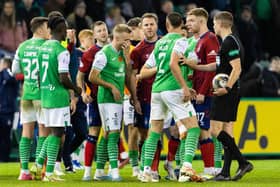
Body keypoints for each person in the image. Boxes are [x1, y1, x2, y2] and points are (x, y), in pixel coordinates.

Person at [183, 11, 254, 181]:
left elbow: (237, 68)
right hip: (229, 92)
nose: (213, 26)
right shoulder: (228, 42)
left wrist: (227, 89)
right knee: (226, 132)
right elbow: (216, 67)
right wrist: (196, 66)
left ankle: (243, 162)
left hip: (227, 93)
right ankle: (225, 172)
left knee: (214, 130)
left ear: (221, 24)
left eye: (214, 23)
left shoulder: (229, 42)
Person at [139, 12, 201, 183]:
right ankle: (186, 169)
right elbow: (175, 64)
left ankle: (146, 171)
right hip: (173, 89)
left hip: (157, 90)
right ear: (181, 24)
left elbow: (144, 71)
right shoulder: (181, 41)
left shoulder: (160, 43)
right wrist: (184, 87)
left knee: (154, 132)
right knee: (194, 128)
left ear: (166, 25)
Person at [30, 15, 82, 182]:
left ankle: (38, 165)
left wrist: (44, 90)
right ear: (61, 30)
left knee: (53, 132)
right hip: (58, 97)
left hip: (45, 95)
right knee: (57, 133)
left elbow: (38, 75)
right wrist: (76, 89)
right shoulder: (61, 51)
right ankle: (49, 173)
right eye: (65, 28)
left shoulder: (42, 48)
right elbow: (63, 78)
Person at [89, 24, 141, 181]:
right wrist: (111, 86)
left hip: (117, 100)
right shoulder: (104, 54)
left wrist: (133, 96)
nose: (128, 44)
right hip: (106, 99)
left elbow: (127, 75)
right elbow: (92, 76)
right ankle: (114, 171)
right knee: (113, 134)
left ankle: (98, 171)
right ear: (117, 38)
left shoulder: (122, 53)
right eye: (126, 40)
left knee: (107, 134)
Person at [12, 16, 50, 180]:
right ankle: (40, 169)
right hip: (42, 95)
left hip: (26, 94)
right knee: (43, 132)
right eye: (48, 27)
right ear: (40, 29)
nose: (50, 31)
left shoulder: (22, 46)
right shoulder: (47, 46)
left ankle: (24, 171)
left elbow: (15, 71)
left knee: (26, 133)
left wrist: (28, 76)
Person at [186, 8, 222, 178]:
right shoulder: (200, 40)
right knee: (200, 129)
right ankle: (211, 167)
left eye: (191, 20)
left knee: (204, 130)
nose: (188, 24)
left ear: (201, 21)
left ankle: (211, 168)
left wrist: (202, 91)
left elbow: (212, 68)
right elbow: (201, 69)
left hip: (205, 94)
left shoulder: (210, 39)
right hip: (197, 91)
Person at [130, 13, 162, 181]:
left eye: (152, 24)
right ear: (142, 28)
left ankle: (154, 169)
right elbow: (134, 76)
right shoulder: (137, 51)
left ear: (157, 26)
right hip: (144, 98)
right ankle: (145, 167)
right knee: (144, 135)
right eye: (146, 25)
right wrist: (134, 99)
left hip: (162, 97)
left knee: (155, 134)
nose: (149, 27)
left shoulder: (164, 44)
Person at [76, 21, 109, 181]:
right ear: (94, 35)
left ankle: (100, 171)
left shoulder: (114, 49)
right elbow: (79, 76)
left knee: (110, 134)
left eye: (104, 30)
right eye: (99, 31)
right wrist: (83, 92)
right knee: (94, 132)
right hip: (96, 99)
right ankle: (87, 172)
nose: (103, 33)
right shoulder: (89, 53)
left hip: (113, 99)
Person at [0, 57, 18, 162]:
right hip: (1, 111)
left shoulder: (9, 74)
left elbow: (11, 79)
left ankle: (4, 159)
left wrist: (6, 69)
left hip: (8, 112)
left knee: (6, 137)